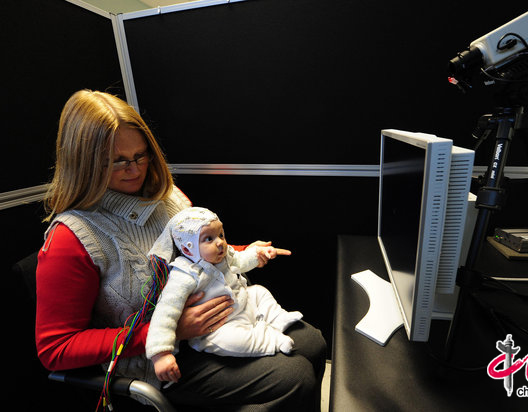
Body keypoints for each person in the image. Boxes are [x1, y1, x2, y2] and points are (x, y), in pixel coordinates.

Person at [35, 89, 327, 411]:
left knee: (313, 344)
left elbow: (194, 253)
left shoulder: (169, 197)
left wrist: (245, 252)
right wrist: (168, 331)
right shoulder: (71, 238)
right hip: (159, 360)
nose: (135, 169)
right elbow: (55, 349)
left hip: (222, 322)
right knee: (294, 377)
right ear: (84, 163)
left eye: (141, 155)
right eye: (117, 161)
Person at [147, 207, 304, 383]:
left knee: (259, 291)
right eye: (209, 238)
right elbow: (164, 313)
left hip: (242, 304)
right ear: (188, 249)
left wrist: (258, 253)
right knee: (232, 341)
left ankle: (277, 318)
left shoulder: (223, 255)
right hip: (218, 327)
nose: (220, 242)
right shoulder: (183, 276)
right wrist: (160, 354)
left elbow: (241, 259)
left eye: (220, 235)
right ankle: (271, 340)